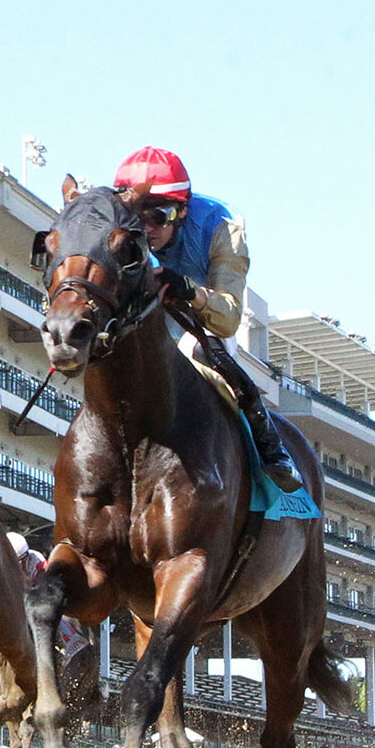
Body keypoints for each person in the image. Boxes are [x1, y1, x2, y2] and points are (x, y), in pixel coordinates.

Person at [113, 146, 302, 492]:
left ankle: (269, 446)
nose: (147, 228)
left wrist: (187, 291)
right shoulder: (113, 224)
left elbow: (228, 319)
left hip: (203, 321)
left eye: (160, 216)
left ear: (182, 211)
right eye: (137, 216)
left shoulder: (222, 227)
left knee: (200, 353)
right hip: (146, 318)